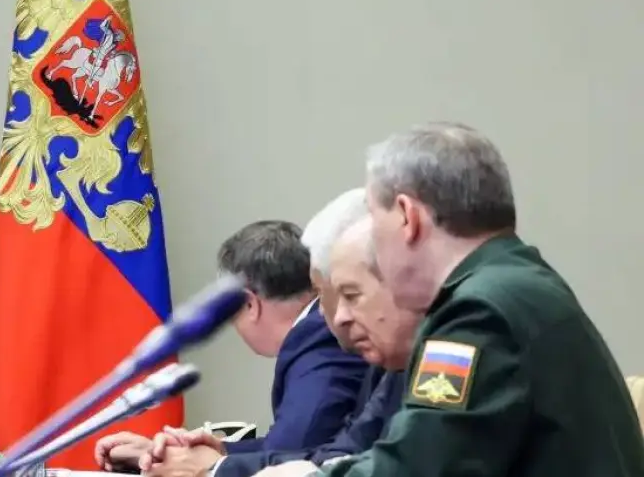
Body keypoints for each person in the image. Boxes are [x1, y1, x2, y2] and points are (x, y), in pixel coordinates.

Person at [272, 122, 644, 477]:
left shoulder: (478, 314)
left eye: (373, 216)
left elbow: (419, 469)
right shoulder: (519, 281)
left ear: (407, 216)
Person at [143, 193, 422, 477]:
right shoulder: (387, 356)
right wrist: (220, 453)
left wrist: (215, 467)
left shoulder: (321, 338)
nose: (338, 316)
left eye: (350, 293)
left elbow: (306, 450)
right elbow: (343, 450)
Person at [96, 219, 368, 471]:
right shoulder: (314, 333)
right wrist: (212, 451)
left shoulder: (320, 338)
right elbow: (299, 448)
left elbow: (290, 458)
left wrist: (209, 466)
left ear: (249, 304)